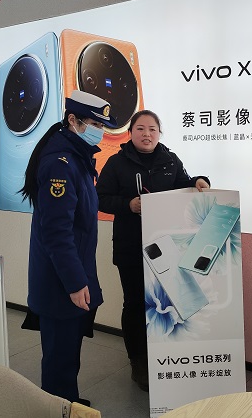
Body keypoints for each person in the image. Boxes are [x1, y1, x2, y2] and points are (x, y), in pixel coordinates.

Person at [95, 110, 210, 391]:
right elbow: (100, 198)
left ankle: (168, 355)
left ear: (159, 133)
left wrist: (198, 180)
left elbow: (183, 185)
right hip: (130, 246)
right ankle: (138, 361)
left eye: (152, 129)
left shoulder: (170, 160)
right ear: (130, 132)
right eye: (141, 129)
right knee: (135, 304)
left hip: (166, 247)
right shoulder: (116, 162)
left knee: (169, 300)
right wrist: (127, 205)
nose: (147, 134)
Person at [19, 90, 116, 406]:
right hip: (60, 281)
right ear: (73, 120)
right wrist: (75, 283)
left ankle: (67, 404)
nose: (99, 131)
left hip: (72, 273)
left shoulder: (77, 157)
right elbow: (57, 232)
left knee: (68, 352)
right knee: (60, 358)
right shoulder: (60, 164)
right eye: (94, 124)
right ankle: (58, 407)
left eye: (102, 126)